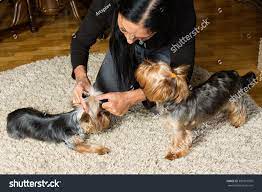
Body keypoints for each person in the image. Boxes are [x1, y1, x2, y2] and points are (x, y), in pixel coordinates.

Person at [71, 0, 196, 116]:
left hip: (163, 48)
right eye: (123, 29)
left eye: (141, 37)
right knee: (100, 100)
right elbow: (80, 41)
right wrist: (81, 78)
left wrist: (130, 98)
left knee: (171, 106)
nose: (130, 40)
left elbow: (182, 74)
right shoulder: (107, 3)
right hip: (122, 49)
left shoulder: (181, 9)